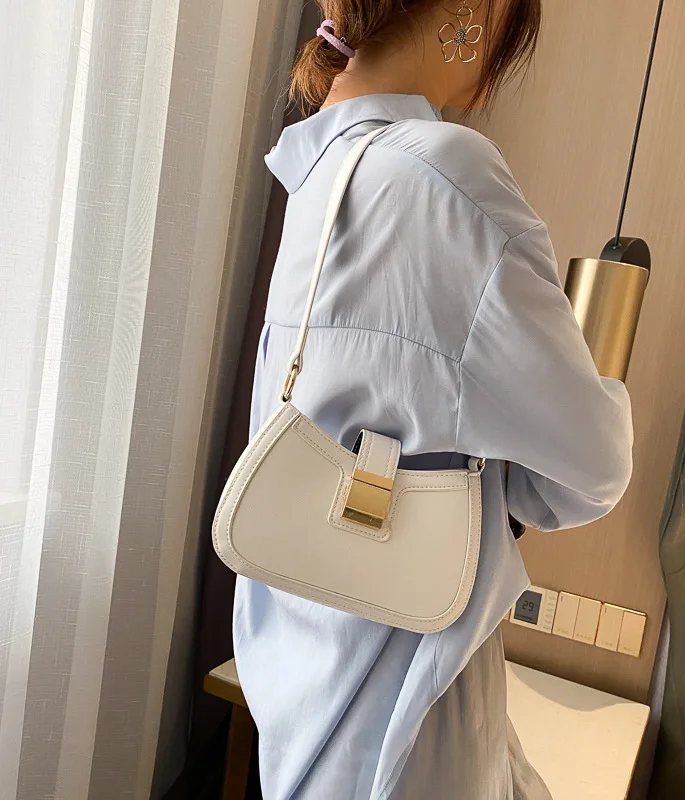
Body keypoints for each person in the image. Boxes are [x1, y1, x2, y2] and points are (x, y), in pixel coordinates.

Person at [233, 0, 634, 797]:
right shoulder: (448, 176)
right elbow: (591, 468)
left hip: (300, 681)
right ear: (474, 13)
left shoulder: (319, 169)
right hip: (410, 701)